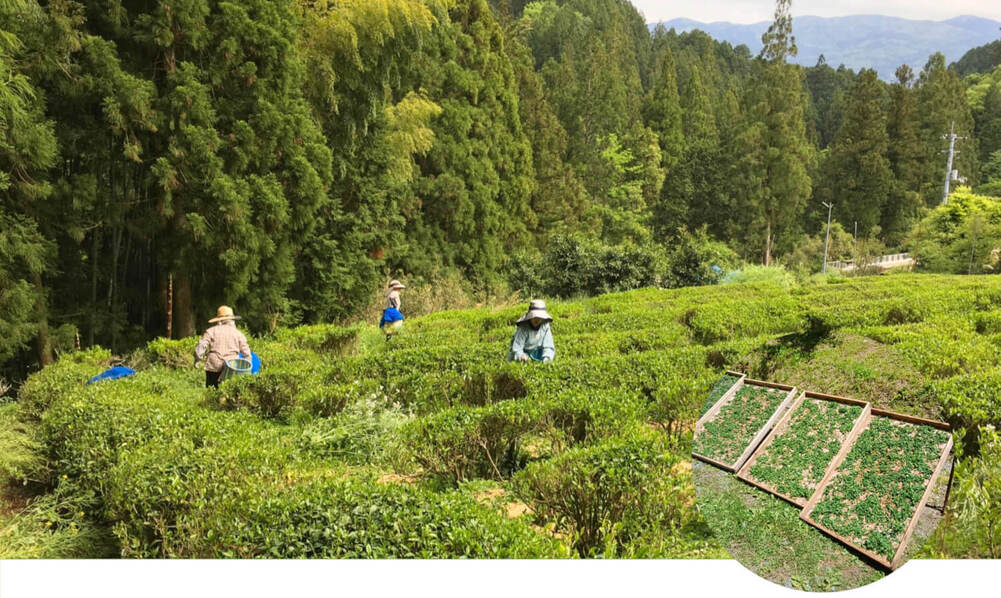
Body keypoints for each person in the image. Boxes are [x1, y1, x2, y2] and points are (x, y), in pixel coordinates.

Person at [195, 305, 252, 388]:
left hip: (213, 365)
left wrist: (198, 359)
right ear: (232, 320)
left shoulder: (211, 331)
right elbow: (247, 354)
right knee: (228, 390)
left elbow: (202, 345)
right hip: (232, 366)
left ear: (219, 320)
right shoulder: (238, 334)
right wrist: (246, 367)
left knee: (212, 391)